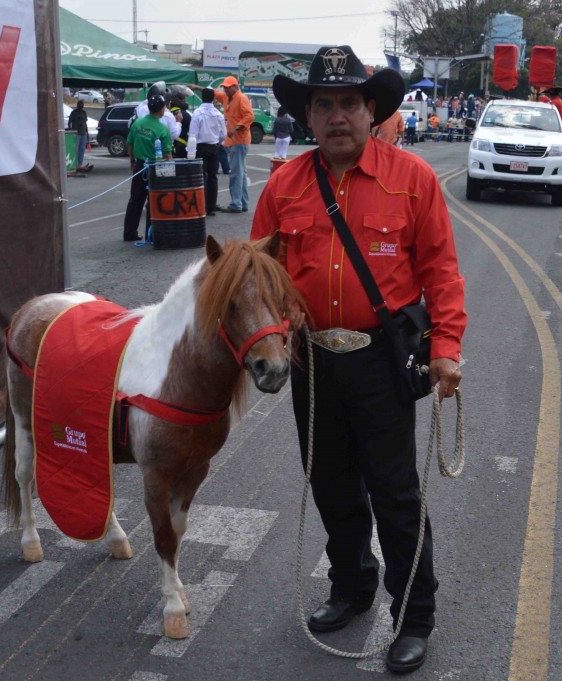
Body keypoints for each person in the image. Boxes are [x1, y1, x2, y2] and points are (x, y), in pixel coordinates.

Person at [251, 44, 466, 674]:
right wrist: (270, 330)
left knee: (396, 494)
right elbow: (260, 276)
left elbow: (442, 275)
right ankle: (352, 584)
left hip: (382, 363)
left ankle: (414, 615)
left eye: (350, 103)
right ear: (308, 116)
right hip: (312, 364)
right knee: (333, 486)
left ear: (371, 111)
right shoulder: (283, 186)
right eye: (325, 105)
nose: (337, 116)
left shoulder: (412, 179)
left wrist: (447, 350)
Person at [122, 93, 172, 242]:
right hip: (155, 169)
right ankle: (151, 234)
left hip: (139, 166)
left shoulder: (137, 123)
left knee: (135, 200)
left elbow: (129, 143)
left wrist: (132, 160)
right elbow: (167, 155)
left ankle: (129, 233)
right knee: (153, 202)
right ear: (162, 110)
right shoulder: (162, 129)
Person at [217, 76, 254, 213]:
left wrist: (235, 128)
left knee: (236, 174)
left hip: (239, 140)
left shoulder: (241, 98)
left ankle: (236, 203)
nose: (225, 90)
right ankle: (242, 203)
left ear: (234, 87)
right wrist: (197, 88)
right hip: (236, 141)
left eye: (227, 87)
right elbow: (215, 94)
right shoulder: (227, 97)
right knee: (241, 173)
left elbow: (249, 116)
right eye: (224, 88)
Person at [192, 87, 227, 216]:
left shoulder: (197, 113)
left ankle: (202, 206)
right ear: (213, 98)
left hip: (200, 147)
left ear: (202, 97)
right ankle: (211, 206)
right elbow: (224, 134)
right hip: (214, 147)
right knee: (213, 177)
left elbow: (192, 134)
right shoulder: (218, 114)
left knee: (201, 177)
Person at [67, 100, 91, 171]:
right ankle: (75, 164)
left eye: (82, 105)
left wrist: (87, 134)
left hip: (83, 133)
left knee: (82, 149)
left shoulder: (84, 113)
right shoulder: (73, 113)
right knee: (76, 149)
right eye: (80, 105)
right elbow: (69, 122)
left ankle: (80, 164)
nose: (81, 106)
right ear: (78, 105)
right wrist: (71, 130)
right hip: (76, 133)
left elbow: (85, 123)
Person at [168, 91, 192, 158]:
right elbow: (192, 131)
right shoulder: (186, 114)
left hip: (168, 146)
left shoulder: (167, 113)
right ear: (182, 100)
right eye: (185, 100)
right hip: (182, 147)